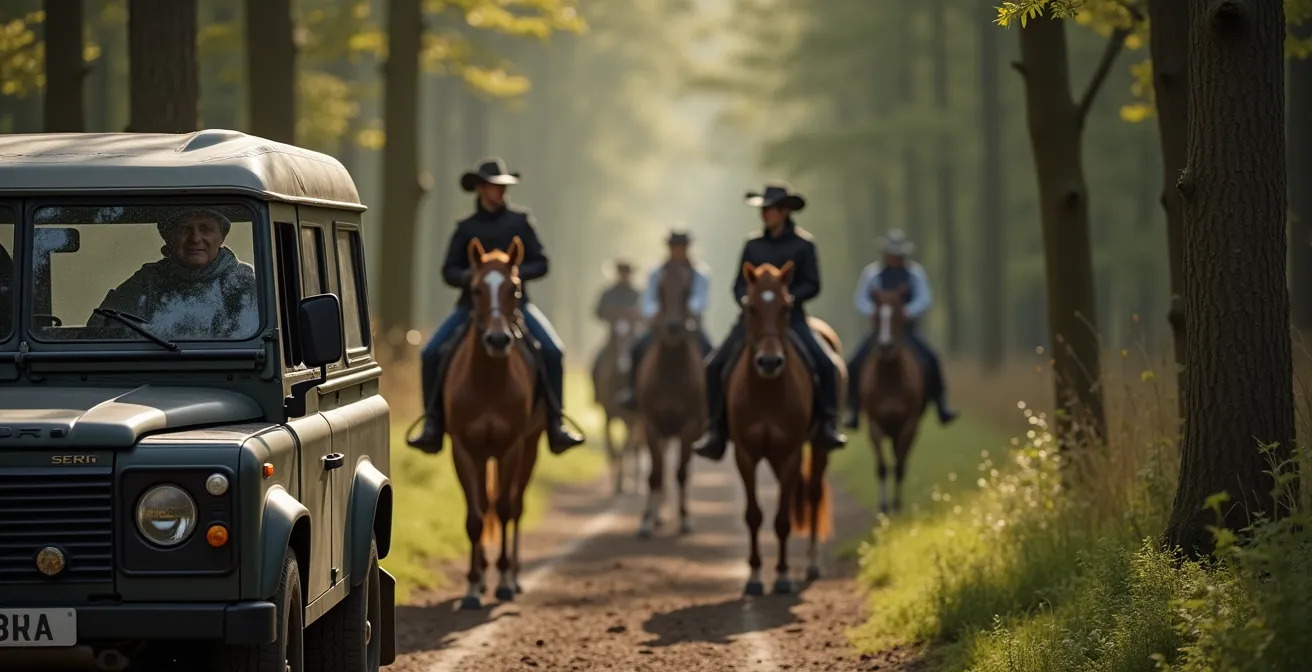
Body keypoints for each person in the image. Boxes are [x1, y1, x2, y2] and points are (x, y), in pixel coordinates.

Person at [407, 157, 586, 454]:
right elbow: (448, 271)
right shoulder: (466, 228)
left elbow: (541, 263)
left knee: (553, 351)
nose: (500, 192)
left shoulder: (521, 221)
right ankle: (433, 424)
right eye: (494, 187)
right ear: (480, 189)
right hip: (472, 305)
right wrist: (474, 277)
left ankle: (556, 424)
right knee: (431, 352)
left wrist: (509, 276)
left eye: (503, 187)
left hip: (515, 305)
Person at [691, 181, 847, 461]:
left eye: (771, 209)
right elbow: (739, 284)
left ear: (784, 211)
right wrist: (747, 301)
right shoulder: (753, 245)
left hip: (791, 319)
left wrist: (785, 300)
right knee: (713, 365)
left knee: (827, 364)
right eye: (763, 209)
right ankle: (714, 431)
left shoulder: (803, 245)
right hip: (753, 320)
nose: (765, 214)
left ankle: (828, 425)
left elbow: (813, 284)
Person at [846, 229, 958, 427]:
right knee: (855, 362)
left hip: (906, 330)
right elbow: (860, 298)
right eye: (891, 253)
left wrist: (907, 312)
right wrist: (874, 311)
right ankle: (853, 409)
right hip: (879, 329)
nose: (894, 258)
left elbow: (924, 298)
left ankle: (942, 405)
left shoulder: (914, 273)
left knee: (931, 359)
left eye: (898, 254)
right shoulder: (872, 274)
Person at [89, 208, 258, 340]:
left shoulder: (246, 283)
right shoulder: (145, 283)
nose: (195, 238)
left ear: (221, 237)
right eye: (184, 229)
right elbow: (100, 338)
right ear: (168, 237)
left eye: (205, 228)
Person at [616, 230, 712, 409]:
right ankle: (633, 392)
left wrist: (684, 311)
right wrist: (658, 313)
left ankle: (712, 397)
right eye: (674, 247)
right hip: (662, 325)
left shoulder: (700, 273)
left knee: (709, 352)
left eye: (681, 247)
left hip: (689, 326)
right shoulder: (657, 273)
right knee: (637, 348)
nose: (678, 251)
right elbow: (648, 301)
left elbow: (700, 300)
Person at [591, 258, 642, 385]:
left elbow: (645, 314)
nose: (624, 276)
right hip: (613, 335)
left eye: (626, 273)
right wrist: (613, 314)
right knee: (598, 361)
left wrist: (634, 315)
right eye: (621, 272)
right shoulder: (608, 293)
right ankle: (597, 390)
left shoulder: (637, 294)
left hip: (633, 335)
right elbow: (598, 312)